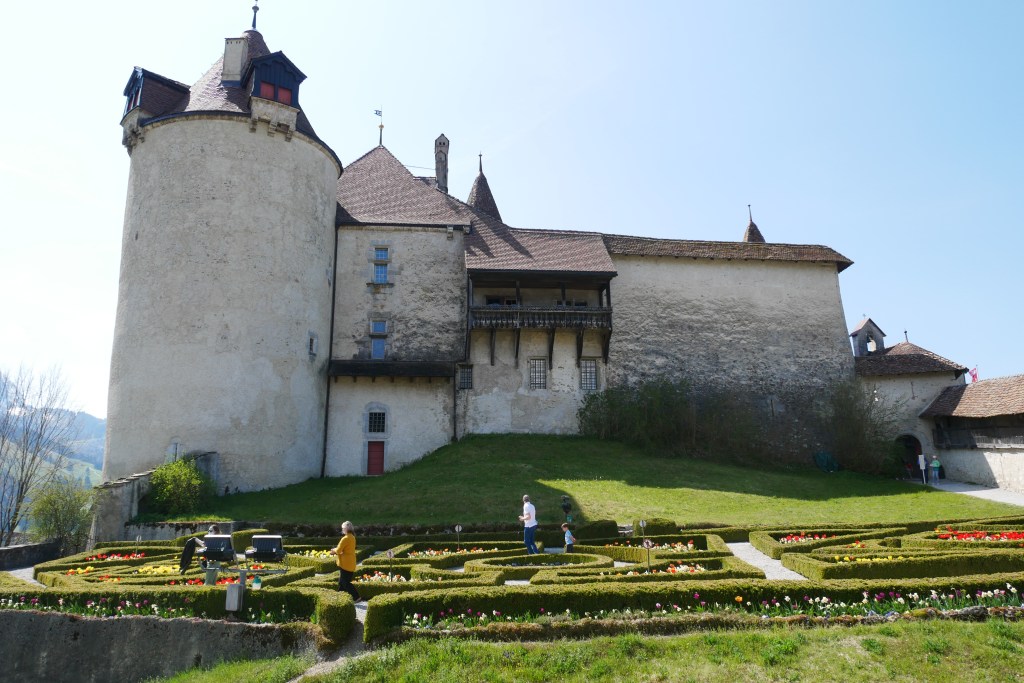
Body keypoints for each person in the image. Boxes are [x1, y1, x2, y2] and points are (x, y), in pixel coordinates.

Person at [329, 521, 361, 602]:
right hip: (350, 562)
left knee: (345, 582)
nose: (342, 530)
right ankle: (339, 598)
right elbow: (346, 550)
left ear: (346, 529)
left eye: (343, 528)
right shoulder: (352, 537)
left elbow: (339, 550)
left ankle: (356, 597)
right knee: (341, 582)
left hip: (345, 564)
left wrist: (333, 550)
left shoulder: (345, 538)